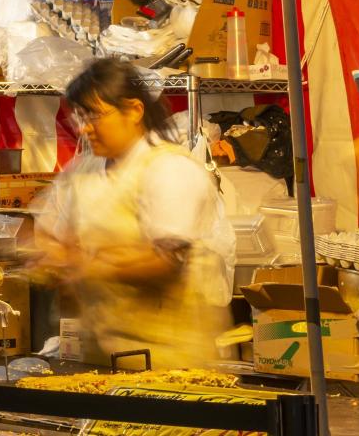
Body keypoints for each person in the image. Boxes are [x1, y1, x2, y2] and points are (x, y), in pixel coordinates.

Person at [33, 58, 234, 368]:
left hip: (169, 363)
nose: (85, 128)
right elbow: (49, 235)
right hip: (100, 359)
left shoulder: (169, 169)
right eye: (80, 117)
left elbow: (165, 263)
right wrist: (48, 257)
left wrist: (87, 265)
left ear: (134, 110)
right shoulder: (81, 171)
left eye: (95, 116)